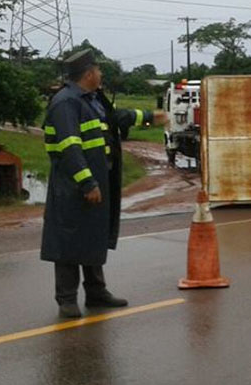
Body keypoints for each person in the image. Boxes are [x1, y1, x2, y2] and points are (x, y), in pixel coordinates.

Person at [41, 48, 164, 318]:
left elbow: (115, 118)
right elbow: (69, 147)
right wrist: (87, 183)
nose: (101, 74)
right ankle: (67, 299)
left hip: (97, 179)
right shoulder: (66, 103)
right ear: (88, 74)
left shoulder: (92, 99)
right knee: (69, 240)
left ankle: (96, 292)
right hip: (74, 185)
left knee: (92, 236)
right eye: (98, 70)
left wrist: (149, 117)